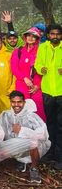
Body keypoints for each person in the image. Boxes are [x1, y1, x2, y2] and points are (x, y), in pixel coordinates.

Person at [0, 91, 50, 183]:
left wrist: (22, 131)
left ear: (24, 102)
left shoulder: (31, 116)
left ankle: (33, 169)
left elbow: (44, 134)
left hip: (29, 146)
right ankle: (21, 161)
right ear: (10, 102)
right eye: (13, 102)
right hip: (13, 145)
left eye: (19, 102)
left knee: (34, 141)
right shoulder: (5, 115)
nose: (16, 105)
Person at [35, 24, 62, 168]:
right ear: (48, 35)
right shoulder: (43, 47)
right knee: (50, 123)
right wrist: (41, 68)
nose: (55, 37)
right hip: (47, 91)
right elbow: (37, 64)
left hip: (61, 92)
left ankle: (60, 156)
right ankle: (51, 152)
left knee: (60, 125)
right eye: (52, 34)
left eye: (58, 34)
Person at [10, 27, 45, 120]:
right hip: (21, 85)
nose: (30, 38)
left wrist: (38, 85)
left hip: (36, 88)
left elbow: (43, 70)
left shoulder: (41, 51)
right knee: (21, 110)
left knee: (38, 111)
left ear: (37, 39)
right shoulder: (18, 51)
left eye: (34, 36)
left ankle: (39, 133)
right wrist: (24, 78)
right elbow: (14, 68)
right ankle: (21, 132)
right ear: (25, 37)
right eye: (28, 35)